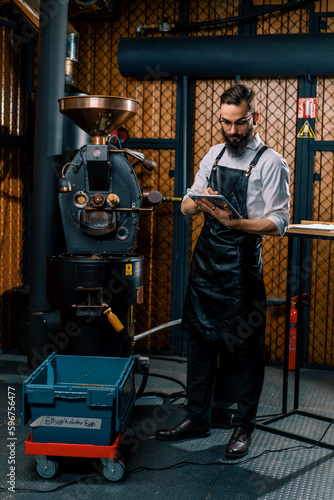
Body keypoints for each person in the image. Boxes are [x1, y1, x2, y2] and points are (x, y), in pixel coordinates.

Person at [156, 83, 290, 458]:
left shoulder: (270, 162)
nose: (231, 131)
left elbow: (279, 221)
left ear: (255, 118)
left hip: (240, 269)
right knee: (198, 342)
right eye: (225, 123)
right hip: (205, 264)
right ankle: (196, 417)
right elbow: (187, 204)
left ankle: (243, 427)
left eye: (239, 123)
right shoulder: (213, 156)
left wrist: (238, 225)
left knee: (246, 349)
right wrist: (192, 202)